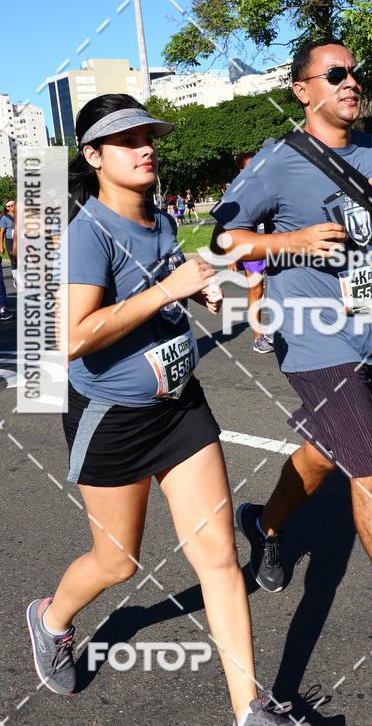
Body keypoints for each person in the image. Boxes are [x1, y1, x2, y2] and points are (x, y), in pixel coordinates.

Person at [26, 94, 293, 726]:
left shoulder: (159, 220)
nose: (145, 148)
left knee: (220, 560)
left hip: (180, 410)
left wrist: (193, 292)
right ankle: (51, 618)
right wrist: (166, 290)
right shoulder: (86, 235)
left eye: (148, 136)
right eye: (126, 141)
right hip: (112, 418)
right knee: (117, 562)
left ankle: (250, 710)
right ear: (92, 157)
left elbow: (162, 285)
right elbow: (73, 337)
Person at [210, 38, 372, 662]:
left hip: (362, 329)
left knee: (325, 452)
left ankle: (265, 524)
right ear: (303, 90)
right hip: (307, 333)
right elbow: (225, 239)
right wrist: (293, 239)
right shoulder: (277, 161)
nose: (350, 82)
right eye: (334, 74)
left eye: (355, 72)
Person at [230, 152, 273, 354]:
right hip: (252, 247)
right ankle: (258, 337)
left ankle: (280, 332)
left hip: (273, 243)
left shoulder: (268, 185)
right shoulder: (236, 192)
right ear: (240, 171)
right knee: (256, 291)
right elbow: (228, 227)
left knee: (277, 288)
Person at [0, 199, 17, 287]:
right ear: (7, 207)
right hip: (10, 240)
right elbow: (2, 232)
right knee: (13, 258)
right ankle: (16, 278)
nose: (14, 206)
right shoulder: (4, 218)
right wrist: (1, 246)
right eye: (12, 205)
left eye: (15, 204)